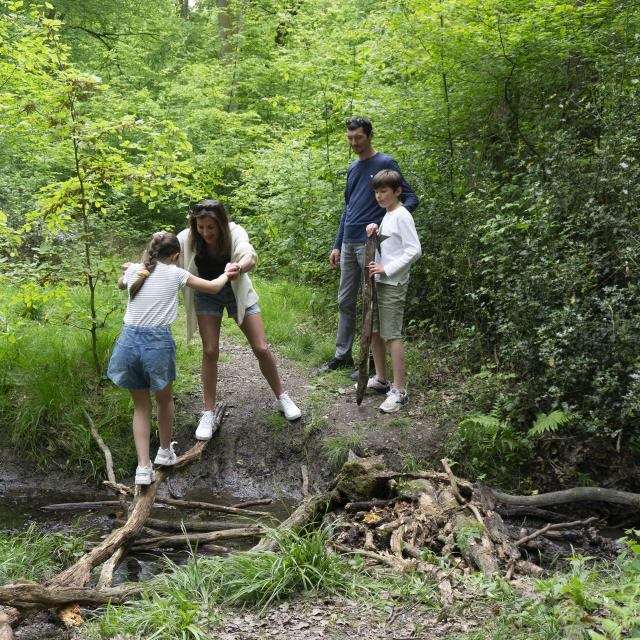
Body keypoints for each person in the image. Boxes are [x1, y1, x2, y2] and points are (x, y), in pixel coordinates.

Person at [108, 232, 233, 485]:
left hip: (128, 344)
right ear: (176, 256)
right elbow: (214, 287)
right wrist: (226, 273)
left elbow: (122, 283)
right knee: (164, 401)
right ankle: (164, 452)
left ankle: (143, 468)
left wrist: (133, 268)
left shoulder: (136, 270)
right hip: (156, 346)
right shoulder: (176, 273)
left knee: (141, 407)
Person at [177, 199, 302, 439]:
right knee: (210, 351)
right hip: (205, 292)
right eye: (201, 227)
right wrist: (142, 266)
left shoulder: (235, 232)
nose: (205, 232)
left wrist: (239, 267)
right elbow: (165, 254)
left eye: (210, 228)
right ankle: (208, 412)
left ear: (221, 224)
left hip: (236, 291)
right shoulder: (188, 237)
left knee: (261, 347)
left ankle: (282, 397)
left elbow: (249, 255)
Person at [320, 116, 419, 374]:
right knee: (345, 300)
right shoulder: (353, 168)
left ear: (370, 136)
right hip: (349, 241)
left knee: (370, 302)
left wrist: (386, 223)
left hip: (371, 244)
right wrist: (337, 244)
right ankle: (343, 355)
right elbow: (348, 208)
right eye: (350, 138)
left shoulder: (385, 163)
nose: (354, 143)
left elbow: (409, 197)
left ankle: (374, 363)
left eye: (359, 138)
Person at [361, 169, 422, 412]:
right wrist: (374, 231)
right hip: (379, 283)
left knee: (392, 335)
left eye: (384, 191)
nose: (379, 196)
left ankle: (399, 390)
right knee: (375, 331)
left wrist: (387, 269)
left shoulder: (402, 215)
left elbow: (414, 250)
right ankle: (381, 379)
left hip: (393, 284)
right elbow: (390, 244)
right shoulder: (388, 215)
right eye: (376, 191)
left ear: (397, 191)